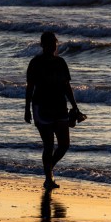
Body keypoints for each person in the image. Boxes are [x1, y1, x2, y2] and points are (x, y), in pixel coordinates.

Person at [24, 31, 85, 189]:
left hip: (60, 107)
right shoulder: (35, 63)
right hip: (41, 107)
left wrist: (75, 106)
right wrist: (27, 109)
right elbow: (30, 87)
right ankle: (48, 178)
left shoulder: (61, 62)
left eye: (54, 43)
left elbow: (67, 86)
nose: (52, 46)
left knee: (64, 144)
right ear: (42, 45)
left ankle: (49, 169)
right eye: (49, 43)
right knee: (49, 145)